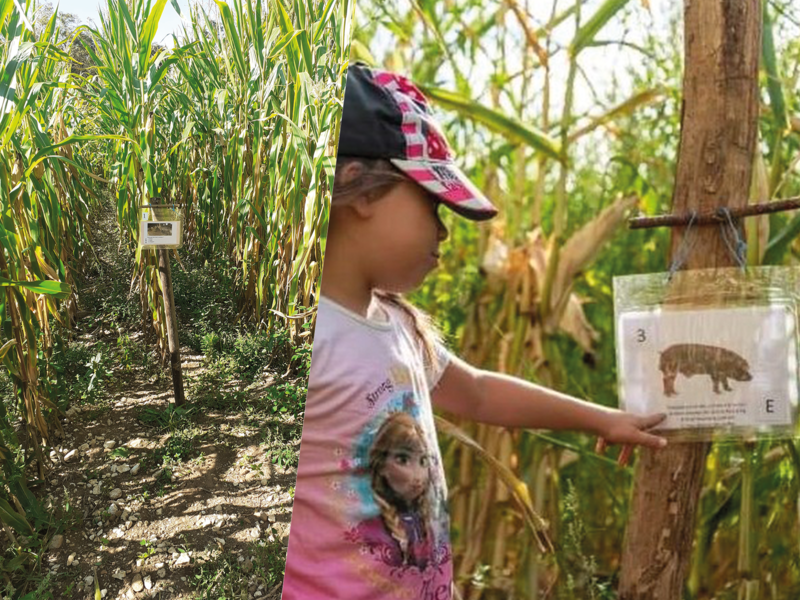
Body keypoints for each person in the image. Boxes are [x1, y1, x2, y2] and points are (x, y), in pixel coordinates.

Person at [280, 63, 667, 600]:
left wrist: (602, 418)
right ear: (358, 189)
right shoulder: (300, 340)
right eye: (432, 204)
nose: (442, 229)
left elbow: (480, 391)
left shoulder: (397, 324)